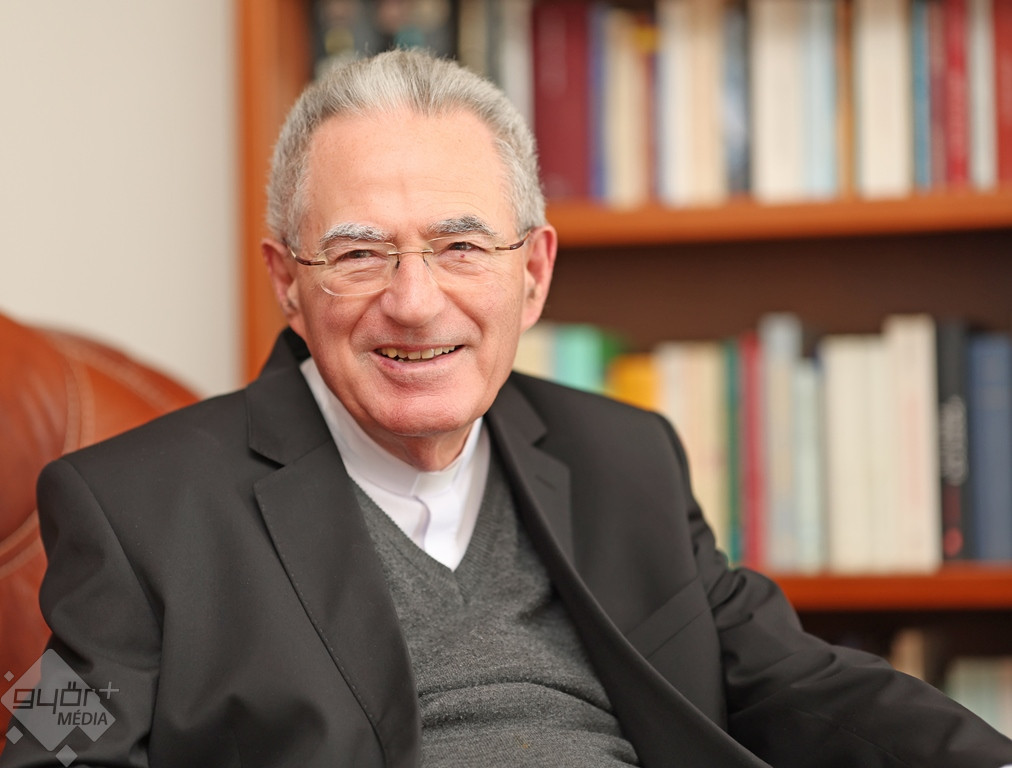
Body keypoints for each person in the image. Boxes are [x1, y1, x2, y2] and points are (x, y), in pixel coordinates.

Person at [2, 49, 1011, 768]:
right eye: (360, 253)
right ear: (287, 282)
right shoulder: (138, 507)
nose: (414, 301)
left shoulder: (623, 456)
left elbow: (794, 682)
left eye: (461, 246)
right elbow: (50, 748)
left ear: (532, 273)